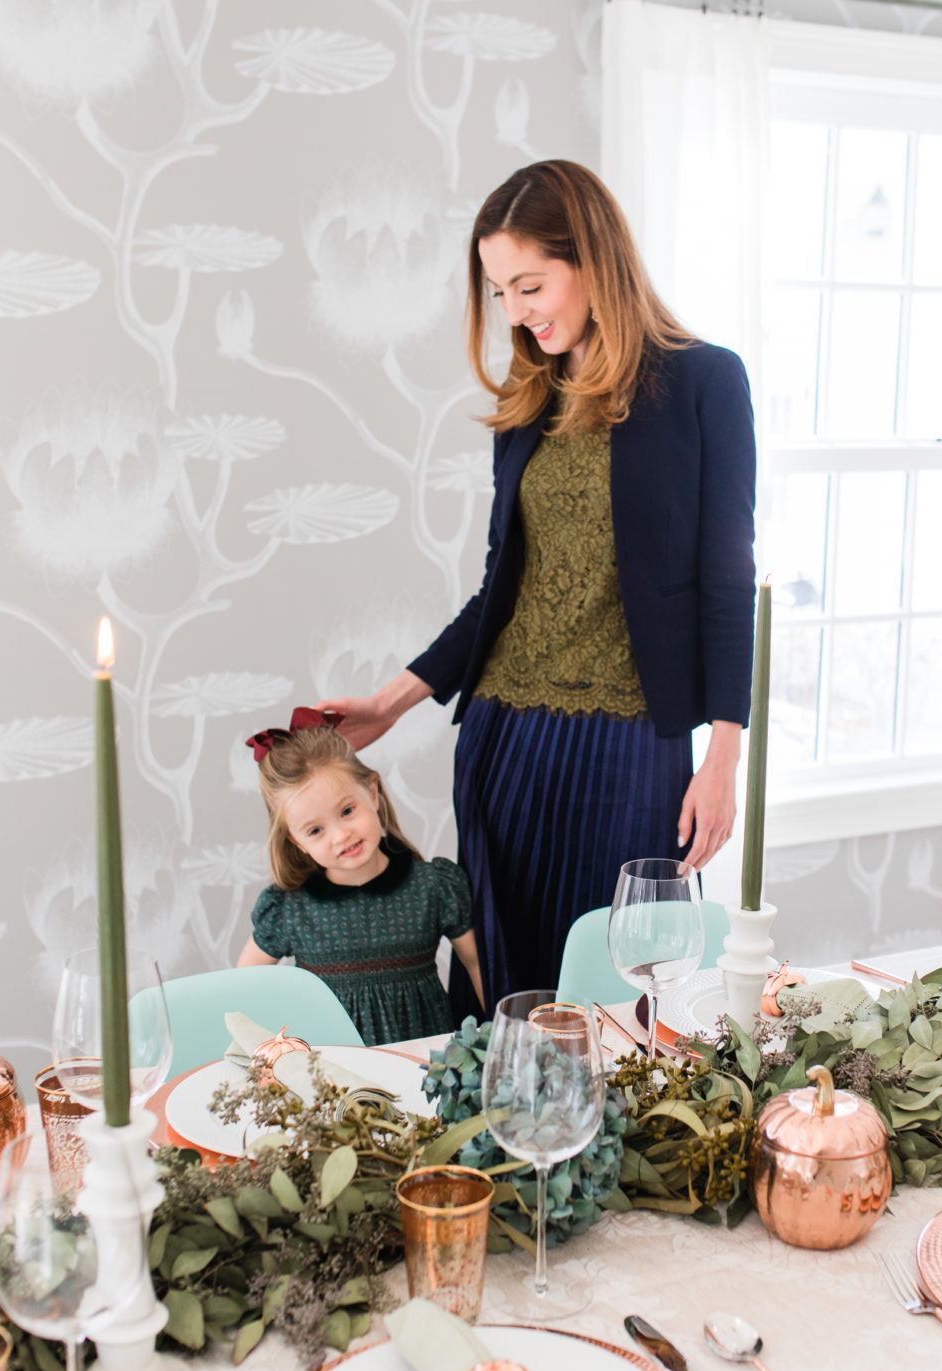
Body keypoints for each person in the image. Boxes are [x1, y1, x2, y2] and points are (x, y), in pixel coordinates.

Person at [318, 159, 756, 1015]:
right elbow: (503, 590)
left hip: (632, 744)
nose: (515, 312)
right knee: (506, 1001)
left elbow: (725, 579)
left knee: (627, 995)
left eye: (530, 284)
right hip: (504, 736)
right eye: (497, 292)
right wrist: (394, 700)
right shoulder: (531, 398)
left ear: (593, 260)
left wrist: (724, 760)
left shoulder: (705, 382)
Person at [237, 708, 483, 1043]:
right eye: (315, 830)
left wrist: (507, 1045)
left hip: (423, 1069)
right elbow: (241, 989)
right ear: (296, 841)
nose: (340, 836)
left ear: (372, 791)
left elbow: (478, 966)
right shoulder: (288, 910)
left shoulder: (434, 887)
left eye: (347, 811)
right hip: (331, 1077)